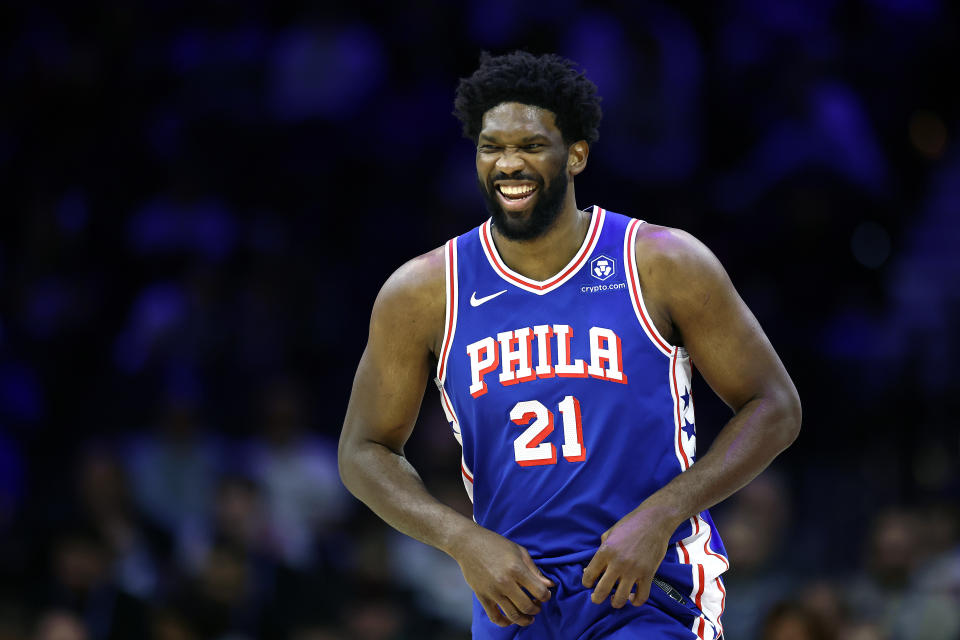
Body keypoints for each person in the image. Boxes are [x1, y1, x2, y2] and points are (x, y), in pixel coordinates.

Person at [338, 50, 801, 639]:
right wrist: (461, 539)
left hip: (646, 585)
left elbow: (775, 406)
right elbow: (363, 450)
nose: (509, 163)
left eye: (530, 146)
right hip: (513, 594)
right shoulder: (424, 291)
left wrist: (662, 515)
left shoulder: (660, 261)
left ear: (575, 154)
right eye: (491, 147)